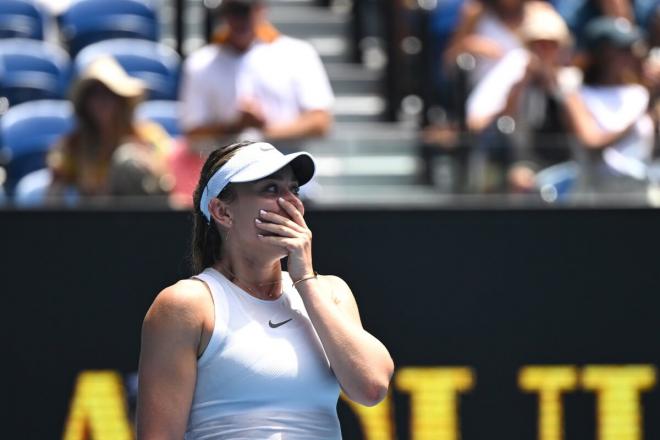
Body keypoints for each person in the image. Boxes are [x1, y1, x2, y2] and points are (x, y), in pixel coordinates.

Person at [137, 141, 394, 439]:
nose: (292, 204)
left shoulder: (331, 292)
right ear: (222, 212)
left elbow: (372, 386)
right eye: (271, 190)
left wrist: (305, 280)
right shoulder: (187, 305)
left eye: (294, 190)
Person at [179, 0, 334, 152]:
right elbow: (192, 132)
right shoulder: (199, 62)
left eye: (245, 10)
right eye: (232, 10)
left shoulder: (299, 53)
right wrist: (236, 127)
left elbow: (320, 122)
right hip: (226, 168)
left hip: (288, 165)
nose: (239, 19)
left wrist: (262, 131)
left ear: (261, 9)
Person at [466, 1, 578, 192]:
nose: (543, 50)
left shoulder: (571, 79)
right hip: (521, 164)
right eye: (537, 44)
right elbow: (476, 121)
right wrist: (519, 87)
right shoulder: (514, 68)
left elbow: (581, 131)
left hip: (570, 167)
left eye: (550, 44)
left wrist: (553, 86)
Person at [47, 56, 172, 199]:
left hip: (143, 216)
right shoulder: (73, 145)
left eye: (108, 94)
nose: (101, 102)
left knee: (127, 160)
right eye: (93, 94)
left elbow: (169, 180)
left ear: (121, 100)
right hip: (96, 219)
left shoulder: (148, 137)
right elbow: (53, 193)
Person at [561, 16, 655, 197]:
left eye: (631, 49)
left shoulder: (641, 93)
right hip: (598, 199)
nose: (631, 55)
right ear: (602, 54)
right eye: (622, 49)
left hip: (639, 194)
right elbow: (591, 141)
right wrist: (636, 117)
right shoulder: (577, 96)